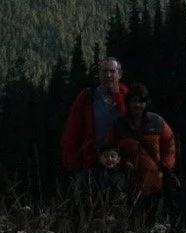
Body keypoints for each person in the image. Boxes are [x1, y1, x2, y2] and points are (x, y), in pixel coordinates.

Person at [60, 58, 129, 192]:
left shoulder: (129, 98)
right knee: (89, 201)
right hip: (91, 165)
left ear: (119, 74)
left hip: (120, 167)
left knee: (121, 201)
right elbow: (72, 131)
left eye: (112, 71)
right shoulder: (87, 97)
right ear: (99, 74)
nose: (108, 75)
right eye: (104, 71)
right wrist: (73, 163)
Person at [107, 84, 178, 206]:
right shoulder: (119, 125)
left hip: (155, 183)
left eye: (141, 101)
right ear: (128, 103)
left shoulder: (157, 122)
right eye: (134, 101)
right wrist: (122, 163)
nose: (137, 105)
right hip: (128, 184)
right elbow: (110, 148)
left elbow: (169, 146)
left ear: (146, 103)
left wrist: (165, 168)